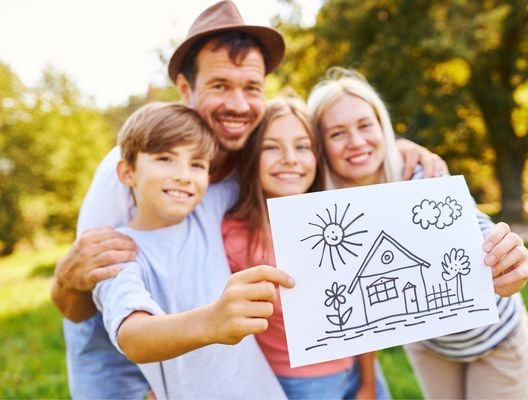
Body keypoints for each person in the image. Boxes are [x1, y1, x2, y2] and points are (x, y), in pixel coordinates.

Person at [50, 2, 447, 398]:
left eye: (251, 88)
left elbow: (323, 159)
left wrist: (395, 151)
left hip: (226, 362)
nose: (239, 105)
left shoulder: (252, 155)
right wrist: (68, 277)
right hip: (118, 356)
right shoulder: (128, 172)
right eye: (220, 85)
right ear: (187, 89)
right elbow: (82, 300)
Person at [306, 67, 528, 399]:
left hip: (496, 340)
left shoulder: (420, 175)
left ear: (382, 127)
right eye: (337, 133)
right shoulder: (327, 217)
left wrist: (509, 258)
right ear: (320, 144)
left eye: (365, 125)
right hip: (431, 348)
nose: (356, 141)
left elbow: (477, 227)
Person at [91, 101, 290, 398]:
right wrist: (212, 320)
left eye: (197, 164)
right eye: (165, 158)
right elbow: (131, 335)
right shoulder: (117, 251)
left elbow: (265, 176)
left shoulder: (207, 207)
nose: (184, 175)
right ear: (127, 172)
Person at [222, 97, 391, 399]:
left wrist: (367, 382)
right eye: (271, 147)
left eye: (302, 146)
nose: (290, 158)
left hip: (360, 372)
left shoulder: (336, 221)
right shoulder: (233, 236)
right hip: (299, 383)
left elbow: (364, 310)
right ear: (251, 156)